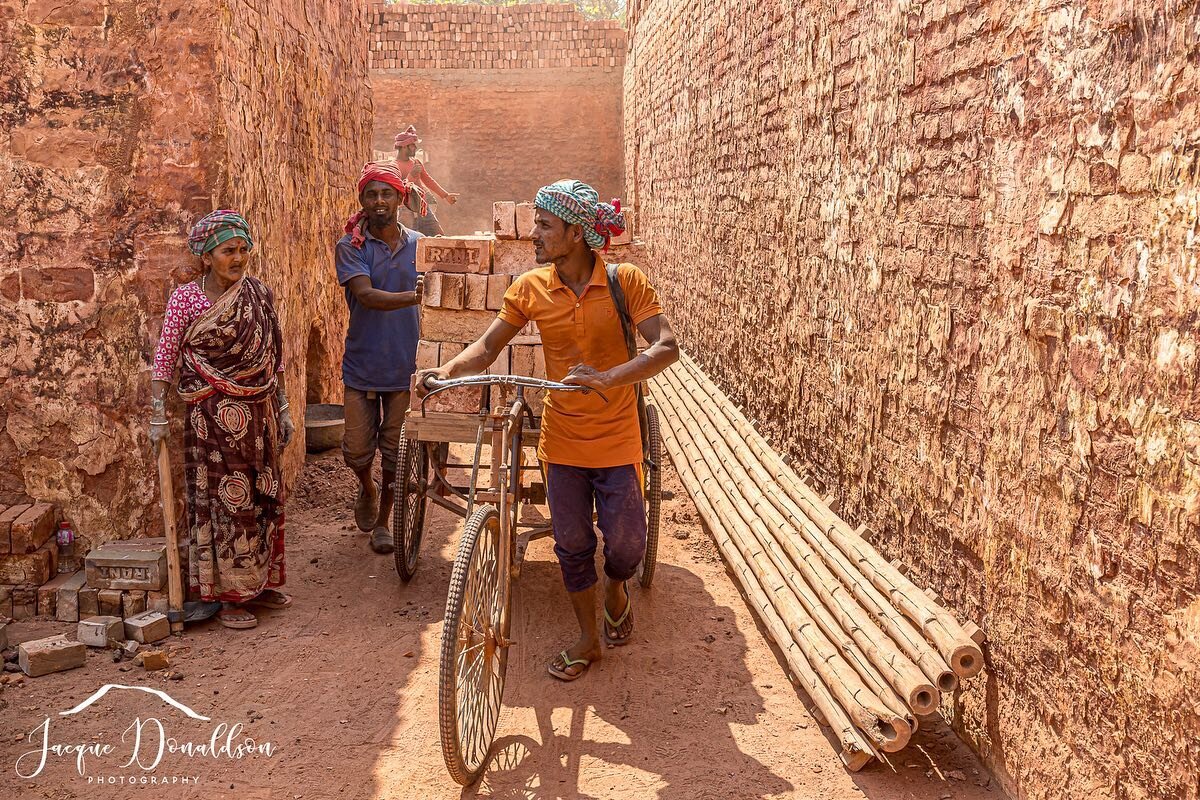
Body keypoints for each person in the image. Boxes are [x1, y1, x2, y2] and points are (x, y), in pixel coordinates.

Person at [416, 179, 679, 681]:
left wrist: (608, 378)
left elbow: (665, 346)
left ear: (576, 234)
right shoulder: (530, 288)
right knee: (572, 541)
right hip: (563, 439)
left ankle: (618, 587)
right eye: (534, 222)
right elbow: (488, 347)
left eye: (545, 225)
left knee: (626, 543)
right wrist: (447, 373)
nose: (534, 234)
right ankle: (587, 639)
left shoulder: (626, 282)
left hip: (619, 434)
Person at [148, 210, 294, 630]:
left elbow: (274, 355)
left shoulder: (258, 295)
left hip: (260, 415)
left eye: (244, 249)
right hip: (211, 420)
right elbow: (166, 358)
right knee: (226, 503)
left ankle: (259, 583)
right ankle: (229, 596)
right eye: (229, 250)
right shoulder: (187, 300)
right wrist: (157, 413)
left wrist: (283, 408)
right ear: (207, 256)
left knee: (263, 496)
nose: (239, 258)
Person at [337, 161, 425, 554]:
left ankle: (384, 521)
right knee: (357, 450)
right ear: (362, 200)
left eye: (386, 193)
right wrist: (414, 298)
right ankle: (366, 487)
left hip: (405, 364)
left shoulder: (420, 245)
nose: (379, 201)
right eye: (371, 194)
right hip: (362, 362)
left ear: (400, 198)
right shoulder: (350, 247)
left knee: (394, 452)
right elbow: (366, 295)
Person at [394, 125, 458, 235]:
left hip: (422, 207)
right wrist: (411, 175)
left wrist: (445, 195)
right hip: (405, 210)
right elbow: (397, 190)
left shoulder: (416, 162)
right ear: (404, 147)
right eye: (412, 145)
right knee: (408, 241)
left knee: (438, 237)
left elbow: (428, 180)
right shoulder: (393, 167)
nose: (415, 148)